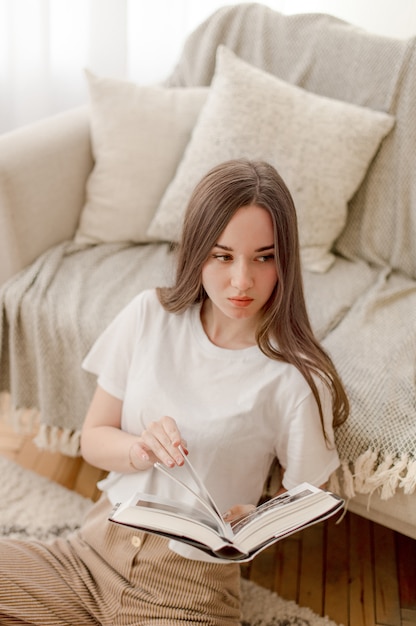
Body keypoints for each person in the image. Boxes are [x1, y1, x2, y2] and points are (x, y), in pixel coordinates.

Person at [0, 159, 349, 625]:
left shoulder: (296, 378)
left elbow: (305, 497)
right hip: (89, 557)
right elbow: (94, 437)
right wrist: (141, 448)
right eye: (222, 256)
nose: (242, 281)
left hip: (189, 595)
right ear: (197, 251)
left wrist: (256, 518)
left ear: (285, 259)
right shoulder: (149, 316)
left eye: (264, 257)